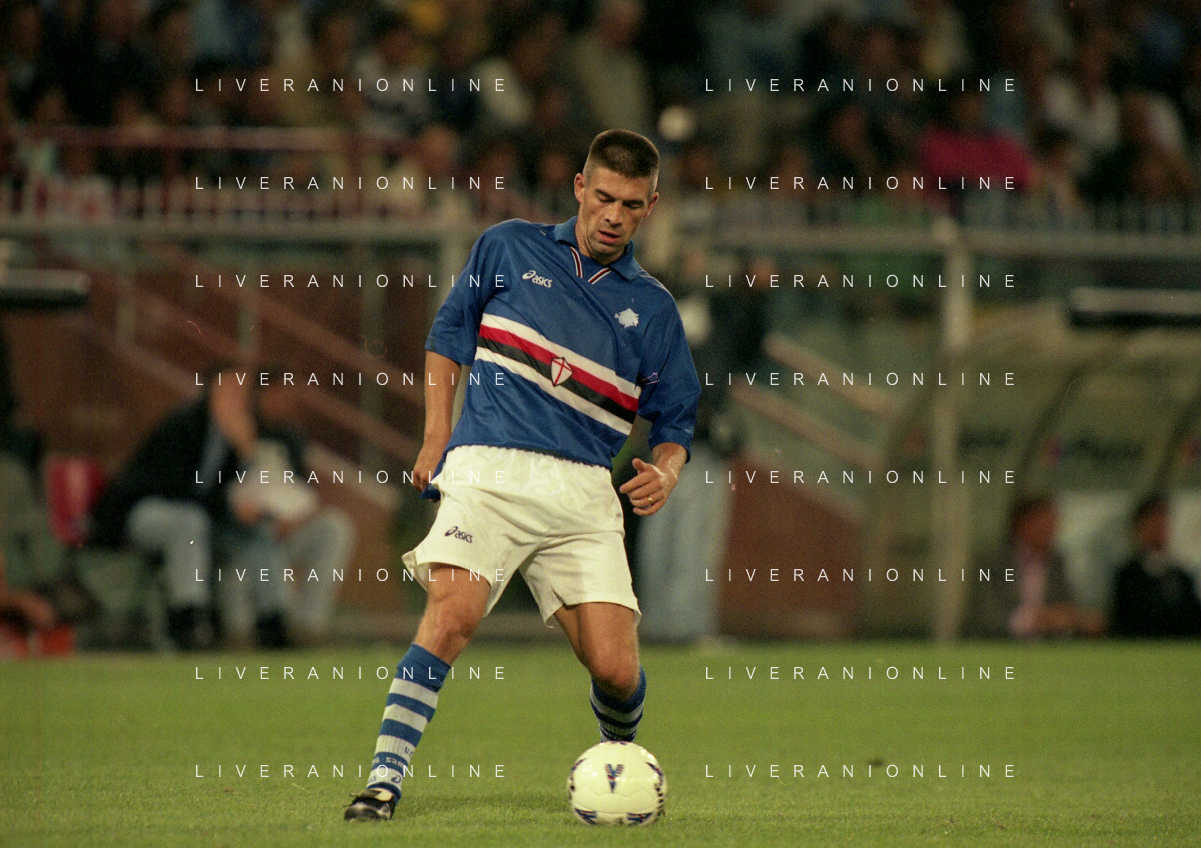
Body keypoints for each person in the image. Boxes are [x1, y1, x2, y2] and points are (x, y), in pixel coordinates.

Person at [344, 129, 701, 821]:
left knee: (615, 670)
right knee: (452, 614)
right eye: (603, 197)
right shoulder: (507, 246)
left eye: (630, 205)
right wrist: (436, 437)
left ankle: (619, 768)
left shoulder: (654, 309)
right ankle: (382, 782)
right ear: (579, 187)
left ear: (650, 207)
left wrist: (667, 470)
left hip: (583, 489)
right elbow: (448, 337)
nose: (613, 216)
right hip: (488, 468)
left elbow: (675, 422)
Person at [89, 362, 258, 650]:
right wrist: (226, 508)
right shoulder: (183, 424)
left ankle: (254, 627)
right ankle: (188, 617)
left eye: (243, 393)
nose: (237, 399)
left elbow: (244, 493)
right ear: (210, 392)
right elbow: (176, 488)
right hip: (142, 511)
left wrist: (246, 454)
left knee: (244, 535)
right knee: (189, 521)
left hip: (196, 520)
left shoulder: (239, 437)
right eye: (229, 390)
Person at [965, 495, 1105, 639]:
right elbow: (986, 615)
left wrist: (1076, 618)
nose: (1051, 530)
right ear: (1022, 524)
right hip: (998, 643)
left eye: (1053, 523)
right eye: (1043, 523)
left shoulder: (1057, 563)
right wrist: (1035, 620)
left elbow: (1066, 605)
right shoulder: (993, 562)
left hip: (1049, 645)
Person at [1110, 495, 1201, 638]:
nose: (1159, 530)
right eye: (1153, 524)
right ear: (1138, 528)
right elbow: (1125, 621)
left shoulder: (1181, 577)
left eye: (1163, 524)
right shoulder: (1127, 576)